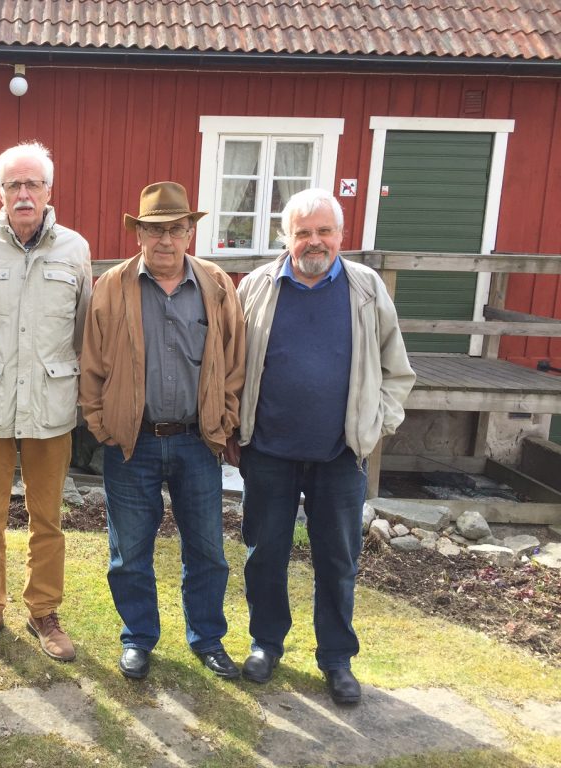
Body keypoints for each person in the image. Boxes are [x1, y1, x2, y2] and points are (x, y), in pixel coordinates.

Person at [226, 187, 415, 705]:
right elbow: (233, 365)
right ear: (286, 237)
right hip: (267, 451)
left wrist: (377, 426)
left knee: (338, 559)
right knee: (265, 555)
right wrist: (233, 428)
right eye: (303, 232)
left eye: (324, 231)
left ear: (340, 234)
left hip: (339, 455)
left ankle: (336, 658)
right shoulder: (257, 287)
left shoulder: (366, 289)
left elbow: (397, 371)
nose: (314, 242)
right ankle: (266, 643)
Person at [79, 181, 246, 680]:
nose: (165, 240)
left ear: (190, 231)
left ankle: (208, 638)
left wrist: (226, 418)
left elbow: (235, 360)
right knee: (129, 551)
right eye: (154, 230)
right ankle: (138, 638)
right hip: (135, 442)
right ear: (139, 235)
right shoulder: (112, 286)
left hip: (198, 441)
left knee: (208, 549)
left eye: (175, 229)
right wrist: (100, 423)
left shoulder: (216, 285)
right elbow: (91, 363)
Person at [0, 141, 92, 661]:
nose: (24, 194)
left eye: (33, 183)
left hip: (50, 405)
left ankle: (44, 612)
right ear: (1, 192)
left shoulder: (75, 250)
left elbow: (83, 329)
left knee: (47, 519)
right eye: (13, 184)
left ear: (49, 190)